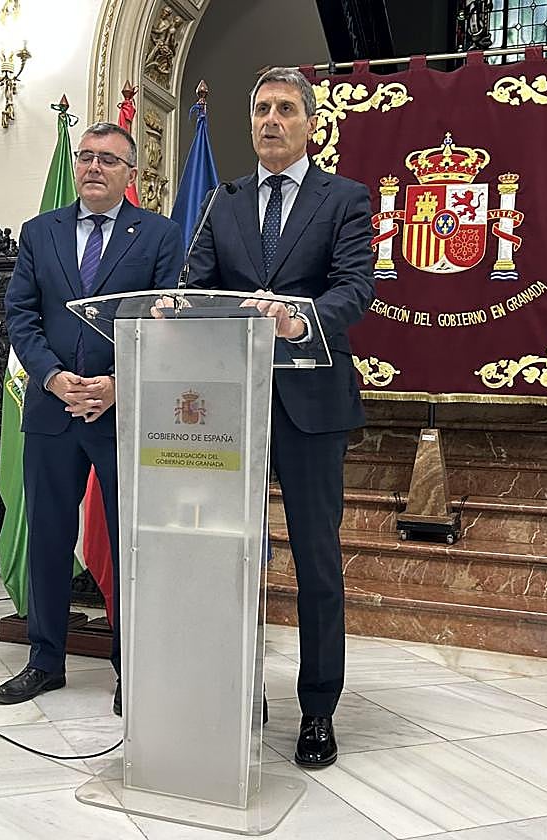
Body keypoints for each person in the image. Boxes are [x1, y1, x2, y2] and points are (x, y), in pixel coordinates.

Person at [183, 67, 375, 767]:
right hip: (227, 404)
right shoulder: (221, 201)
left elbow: (355, 288)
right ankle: (233, 691)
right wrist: (181, 308)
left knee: (317, 564)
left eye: (285, 109)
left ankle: (318, 710)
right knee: (223, 555)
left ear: (310, 124)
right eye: (261, 108)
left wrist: (299, 319)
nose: (271, 119)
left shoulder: (344, 199)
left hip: (310, 402)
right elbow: (193, 284)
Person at [0, 122, 184, 716]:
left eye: (108, 159)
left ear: (132, 173)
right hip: (53, 410)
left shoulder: (158, 235)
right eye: (86, 157)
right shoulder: (39, 232)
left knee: (133, 543)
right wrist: (52, 378)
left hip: (122, 414)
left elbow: (166, 320)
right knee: (49, 539)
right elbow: (22, 315)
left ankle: (133, 667)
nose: (94, 168)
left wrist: (116, 386)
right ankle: (44, 661)